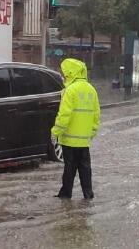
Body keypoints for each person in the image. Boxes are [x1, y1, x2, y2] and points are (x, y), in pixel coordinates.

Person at [51, 58, 100, 199]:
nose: (63, 75)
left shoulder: (70, 90)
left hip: (69, 140)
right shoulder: (91, 90)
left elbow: (64, 115)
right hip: (84, 141)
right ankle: (88, 195)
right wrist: (91, 133)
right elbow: (96, 115)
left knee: (69, 169)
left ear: (70, 73)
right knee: (85, 169)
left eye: (65, 72)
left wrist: (55, 132)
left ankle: (66, 194)